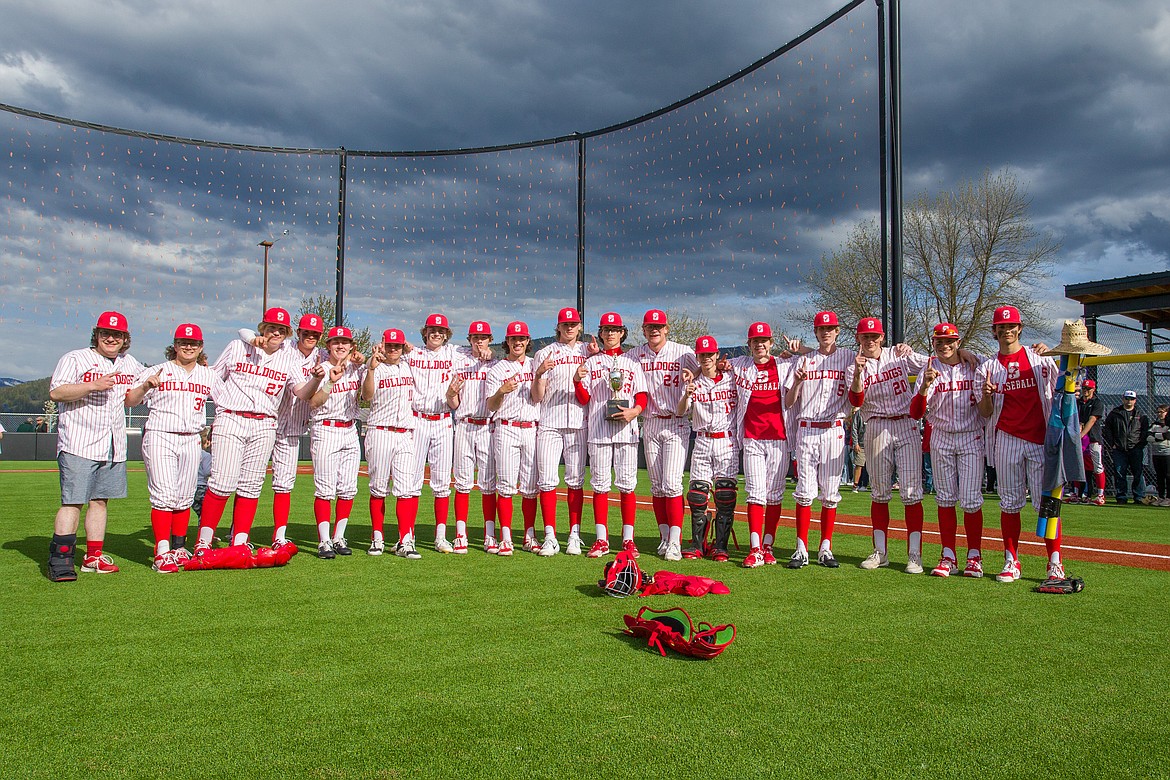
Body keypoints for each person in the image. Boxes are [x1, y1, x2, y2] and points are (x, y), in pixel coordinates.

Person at [194, 307, 323, 553]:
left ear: (287, 334)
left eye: (281, 330)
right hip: (232, 418)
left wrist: (316, 380)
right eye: (271, 327)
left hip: (265, 423)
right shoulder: (238, 347)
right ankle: (203, 542)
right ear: (262, 328)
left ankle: (239, 542)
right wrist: (222, 403)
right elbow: (211, 376)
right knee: (221, 483)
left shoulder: (289, 357)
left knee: (251, 486)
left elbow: (300, 392)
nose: (276, 332)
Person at [46, 311, 145, 581]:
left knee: (100, 501)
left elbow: (131, 401)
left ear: (125, 338)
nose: (111, 338)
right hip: (79, 441)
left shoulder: (129, 363)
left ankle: (93, 557)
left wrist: (145, 386)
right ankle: (61, 558)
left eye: (117, 334)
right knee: (73, 502)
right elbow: (56, 392)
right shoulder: (76, 358)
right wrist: (91, 385)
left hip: (113, 444)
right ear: (97, 335)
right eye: (106, 333)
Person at [124, 323, 221, 573]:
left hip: (191, 438)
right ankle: (162, 551)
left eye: (194, 343)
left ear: (200, 348)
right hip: (161, 434)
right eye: (183, 342)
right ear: (175, 346)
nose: (188, 347)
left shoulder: (208, 375)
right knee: (164, 495)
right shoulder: (158, 370)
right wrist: (145, 385)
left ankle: (179, 547)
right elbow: (130, 400)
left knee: (185, 496)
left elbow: (227, 401)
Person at [976, 304, 1062, 582]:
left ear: (1019, 329)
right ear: (995, 331)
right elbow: (985, 413)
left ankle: (1054, 562)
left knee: (1046, 504)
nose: (1007, 331)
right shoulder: (988, 366)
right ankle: (1011, 560)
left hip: (1039, 439)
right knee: (1010, 503)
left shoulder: (1039, 359)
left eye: (1011, 326)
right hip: (1007, 439)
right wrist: (987, 394)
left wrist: (1053, 351)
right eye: (1001, 327)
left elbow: (1066, 380)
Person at [847, 317, 931, 573]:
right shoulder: (855, 365)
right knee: (880, 492)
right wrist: (859, 372)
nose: (870, 340)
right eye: (865, 336)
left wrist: (962, 352)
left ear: (882, 337)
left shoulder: (898, 354)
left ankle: (914, 554)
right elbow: (856, 398)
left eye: (874, 336)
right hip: (876, 425)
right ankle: (880, 552)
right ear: (858, 339)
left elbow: (934, 361)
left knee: (911, 492)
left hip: (905, 423)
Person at [910, 323, 987, 578]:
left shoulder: (974, 363)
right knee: (944, 499)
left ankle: (974, 556)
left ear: (958, 341)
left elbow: (1001, 361)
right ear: (933, 343)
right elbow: (916, 412)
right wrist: (924, 387)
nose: (945, 346)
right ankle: (948, 555)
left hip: (970, 436)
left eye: (950, 341)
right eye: (939, 341)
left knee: (971, 499)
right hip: (941, 436)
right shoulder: (929, 369)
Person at [784, 310, 854, 569]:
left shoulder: (848, 357)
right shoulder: (803, 361)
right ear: (815, 332)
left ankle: (825, 547)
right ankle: (801, 548)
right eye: (821, 329)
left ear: (837, 331)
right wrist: (798, 383)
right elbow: (788, 402)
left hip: (834, 428)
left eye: (830, 328)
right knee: (804, 492)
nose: (826, 332)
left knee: (831, 493)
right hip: (807, 428)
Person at [575, 312, 648, 558]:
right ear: (601, 333)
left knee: (627, 486)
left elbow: (642, 396)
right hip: (599, 430)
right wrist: (576, 381)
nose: (610, 334)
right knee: (600, 485)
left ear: (622, 333)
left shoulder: (631, 363)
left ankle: (628, 540)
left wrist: (635, 412)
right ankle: (601, 539)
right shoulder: (592, 363)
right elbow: (584, 398)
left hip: (627, 430)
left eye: (614, 330)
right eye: (606, 330)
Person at [627, 309, 699, 557]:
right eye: (649, 326)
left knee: (671, 483)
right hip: (651, 423)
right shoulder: (635, 355)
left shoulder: (683, 352)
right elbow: (615, 365)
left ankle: (676, 541)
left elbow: (706, 366)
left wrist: (697, 374)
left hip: (677, 422)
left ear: (667, 328)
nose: (654, 330)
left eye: (658, 326)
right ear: (644, 330)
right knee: (657, 486)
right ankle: (665, 536)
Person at [729, 321, 795, 568]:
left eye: (763, 340)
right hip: (752, 437)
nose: (759, 345)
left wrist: (799, 349)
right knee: (755, 493)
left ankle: (768, 545)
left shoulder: (785, 363)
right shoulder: (740, 365)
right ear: (749, 345)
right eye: (755, 341)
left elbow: (819, 356)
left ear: (771, 342)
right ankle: (755, 548)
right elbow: (713, 363)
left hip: (779, 438)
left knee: (775, 495)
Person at [532, 307, 594, 555]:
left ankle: (574, 535)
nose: (569, 327)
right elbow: (536, 397)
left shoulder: (587, 352)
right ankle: (549, 536)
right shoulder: (544, 353)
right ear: (558, 326)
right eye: (565, 324)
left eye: (574, 324)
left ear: (580, 326)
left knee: (576, 481)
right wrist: (539, 374)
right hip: (549, 421)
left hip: (579, 421)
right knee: (547, 480)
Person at [677, 335, 738, 562]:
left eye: (710, 354)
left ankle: (720, 546)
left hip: (727, 440)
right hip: (702, 438)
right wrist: (687, 394)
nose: (706, 358)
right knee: (697, 494)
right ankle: (697, 543)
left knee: (725, 494)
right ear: (698, 356)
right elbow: (682, 410)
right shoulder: (693, 382)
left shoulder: (732, 378)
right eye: (702, 355)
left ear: (716, 354)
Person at [307, 326, 367, 559]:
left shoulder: (357, 368)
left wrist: (364, 362)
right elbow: (313, 402)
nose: (340, 346)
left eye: (345, 342)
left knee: (348, 488)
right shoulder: (321, 368)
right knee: (324, 488)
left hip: (350, 428)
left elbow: (367, 391)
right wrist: (330, 383)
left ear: (352, 346)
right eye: (335, 342)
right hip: (325, 428)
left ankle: (339, 536)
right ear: (328, 346)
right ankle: (324, 541)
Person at [404, 313, 462, 552]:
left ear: (447, 334)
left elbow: (480, 353)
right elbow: (391, 351)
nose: (436, 333)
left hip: (442, 420)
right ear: (425, 332)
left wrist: (488, 352)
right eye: (432, 330)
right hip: (417, 420)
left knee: (441, 482)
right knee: (411, 481)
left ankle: (440, 536)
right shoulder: (412, 354)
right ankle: (408, 534)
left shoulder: (455, 354)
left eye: (441, 330)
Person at [362, 329, 420, 558]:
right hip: (380, 430)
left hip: (405, 432)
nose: (393, 349)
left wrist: (410, 347)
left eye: (397, 345)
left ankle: (406, 540)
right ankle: (377, 538)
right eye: (389, 345)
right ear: (382, 344)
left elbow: (423, 356)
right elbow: (366, 396)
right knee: (378, 488)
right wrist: (370, 368)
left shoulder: (408, 364)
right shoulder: (374, 366)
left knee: (405, 489)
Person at [486, 321, 541, 556]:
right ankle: (506, 537)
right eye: (513, 339)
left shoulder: (534, 364)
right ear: (506, 342)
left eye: (522, 339)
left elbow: (538, 397)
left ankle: (530, 535)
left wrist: (538, 376)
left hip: (530, 427)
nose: (517, 342)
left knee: (530, 486)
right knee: (506, 485)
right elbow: (490, 405)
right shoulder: (497, 369)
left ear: (527, 342)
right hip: (506, 427)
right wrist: (501, 391)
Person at [449, 321, 499, 554]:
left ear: (490, 339)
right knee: (463, 482)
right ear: (469, 339)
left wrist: (494, 354)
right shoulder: (459, 362)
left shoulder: (496, 363)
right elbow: (453, 402)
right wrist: (450, 394)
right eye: (475, 337)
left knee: (489, 484)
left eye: (483, 337)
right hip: (465, 424)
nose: (479, 341)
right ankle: (460, 533)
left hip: (488, 426)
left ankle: (490, 535)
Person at [1103, 390, 1152, 505]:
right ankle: (1121, 496)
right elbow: (1107, 429)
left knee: (1138, 473)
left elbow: (1145, 431)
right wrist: (1112, 444)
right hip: (1119, 449)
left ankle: (1138, 496)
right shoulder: (1115, 413)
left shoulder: (1140, 415)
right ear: (1123, 399)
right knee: (1120, 472)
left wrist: (1140, 445)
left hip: (1135, 448)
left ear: (1135, 400)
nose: (1129, 401)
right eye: (1127, 398)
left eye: (1131, 399)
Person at [1073, 378, 1107, 505]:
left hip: (1092, 438)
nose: (1085, 391)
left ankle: (1100, 494)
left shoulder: (1097, 403)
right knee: (1077, 465)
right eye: (1084, 388)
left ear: (1093, 389)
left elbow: (1092, 420)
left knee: (1097, 466)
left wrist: (1081, 434)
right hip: (1080, 439)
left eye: (1088, 389)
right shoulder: (1078, 402)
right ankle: (1077, 493)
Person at [1148, 404, 1170, 506]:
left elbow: (1168, 435)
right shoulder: (1154, 424)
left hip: (1167, 453)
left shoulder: (1168, 424)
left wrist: (1156, 436)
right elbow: (1148, 436)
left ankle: (1168, 498)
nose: (1160, 414)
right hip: (1156, 453)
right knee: (1159, 476)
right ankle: (1161, 496)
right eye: (1158, 412)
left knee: (1168, 475)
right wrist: (1160, 437)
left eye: (1162, 412)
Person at [851, 409, 869, 490]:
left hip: (873, 443)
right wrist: (855, 443)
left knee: (872, 466)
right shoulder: (858, 413)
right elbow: (854, 428)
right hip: (861, 444)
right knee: (859, 465)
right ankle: (855, 486)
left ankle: (866, 485)